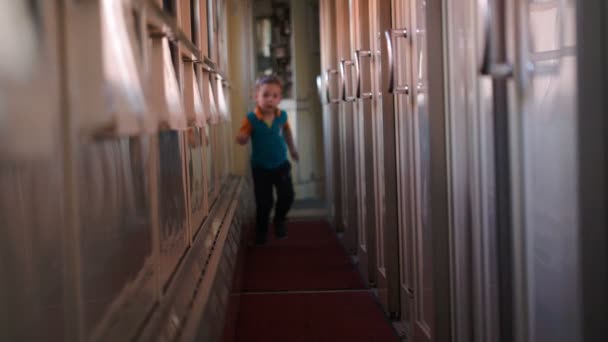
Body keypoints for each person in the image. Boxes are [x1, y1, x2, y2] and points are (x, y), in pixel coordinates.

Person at [236, 75, 299, 245]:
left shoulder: (282, 116)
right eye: (265, 95)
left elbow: (287, 132)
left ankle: (279, 220)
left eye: (274, 96)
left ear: (279, 98)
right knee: (264, 203)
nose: (270, 99)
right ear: (256, 97)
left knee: (287, 196)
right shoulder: (251, 118)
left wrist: (292, 149)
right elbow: (243, 134)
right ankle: (261, 232)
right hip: (261, 168)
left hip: (281, 164)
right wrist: (242, 137)